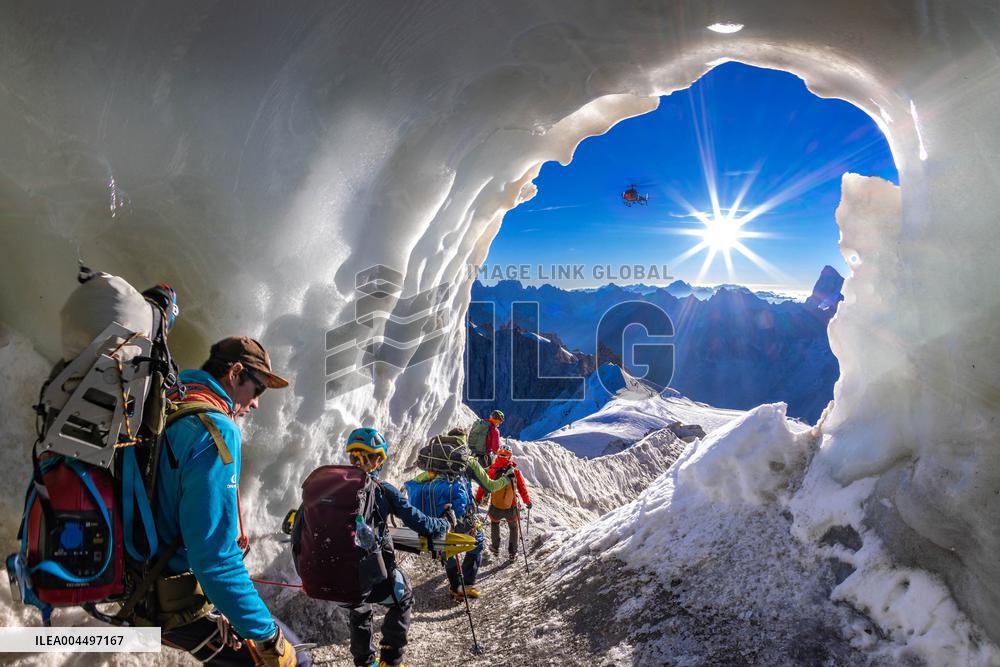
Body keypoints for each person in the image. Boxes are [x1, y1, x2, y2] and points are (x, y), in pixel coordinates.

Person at [152, 336, 307, 666]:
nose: (256, 403)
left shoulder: (172, 401)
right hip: (172, 599)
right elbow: (215, 559)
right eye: (259, 388)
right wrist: (267, 637)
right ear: (236, 373)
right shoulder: (214, 429)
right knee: (296, 659)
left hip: (143, 583)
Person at [343, 427, 450, 667]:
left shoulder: (331, 487)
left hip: (337, 576)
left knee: (359, 607)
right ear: (378, 459)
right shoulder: (383, 490)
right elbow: (421, 523)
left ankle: (364, 661)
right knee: (403, 597)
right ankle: (390, 660)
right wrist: (444, 522)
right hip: (371, 576)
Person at [406, 428, 513, 601]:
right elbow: (490, 487)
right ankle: (467, 584)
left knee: (447, 546)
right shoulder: (468, 461)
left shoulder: (436, 462)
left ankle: (455, 586)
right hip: (463, 516)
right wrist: (507, 478)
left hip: (438, 517)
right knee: (476, 543)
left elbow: (416, 482)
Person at [475, 446, 532, 560]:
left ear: (498, 455)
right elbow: (522, 489)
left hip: (495, 507)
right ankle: (512, 553)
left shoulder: (492, 470)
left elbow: (483, 486)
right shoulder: (515, 472)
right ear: (509, 456)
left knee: (495, 524)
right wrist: (527, 502)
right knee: (513, 528)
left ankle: (495, 547)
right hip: (511, 507)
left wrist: (478, 499)